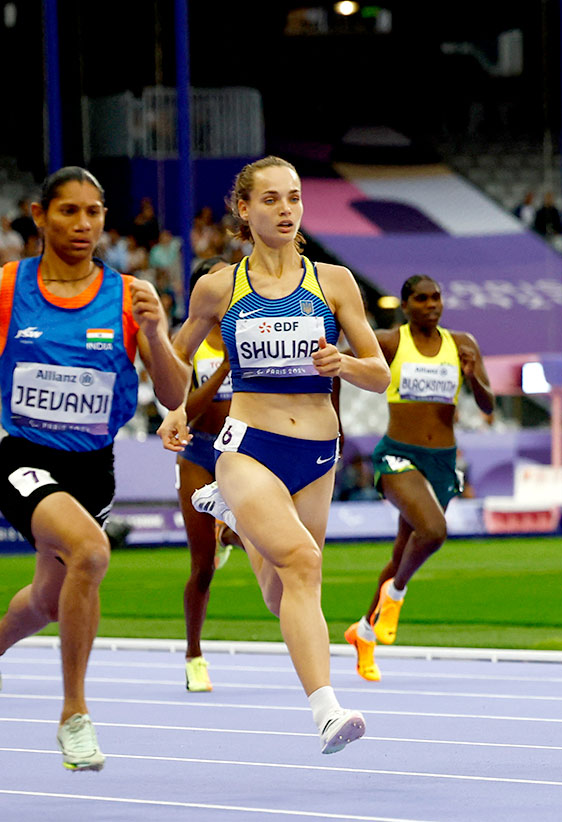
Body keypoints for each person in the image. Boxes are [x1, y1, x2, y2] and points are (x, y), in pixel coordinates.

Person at [0, 166, 189, 771]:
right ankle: (74, 715)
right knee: (92, 554)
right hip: (24, 460)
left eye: (94, 212)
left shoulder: (130, 297)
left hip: (94, 468)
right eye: (68, 211)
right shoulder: (3, 285)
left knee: (50, 599)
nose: (83, 224)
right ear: (41, 216)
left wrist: (155, 332)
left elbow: (176, 394)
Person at [157, 156, 390, 754]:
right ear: (244, 208)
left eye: (294, 198)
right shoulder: (218, 286)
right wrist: (175, 410)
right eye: (271, 200)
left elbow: (380, 373)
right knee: (304, 564)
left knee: (280, 591)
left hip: (316, 452)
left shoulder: (334, 282)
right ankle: (327, 711)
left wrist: (345, 364)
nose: (286, 210)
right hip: (247, 445)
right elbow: (174, 362)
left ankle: (231, 515)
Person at [343, 274, 494, 682]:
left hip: (441, 462)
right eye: (422, 299)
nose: (431, 305)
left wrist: (472, 373)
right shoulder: (392, 342)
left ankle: (365, 634)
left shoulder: (462, 343)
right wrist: (334, 423)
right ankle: (394, 597)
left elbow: (487, 403)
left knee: (400, 554)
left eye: (437, 298)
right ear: (405, 306)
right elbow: (340, 361)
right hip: (397, 454)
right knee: (433, 530)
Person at [175, 256, 245, 693]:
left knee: (261, 538)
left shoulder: (250, 329)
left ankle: (227, 533)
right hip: (199, 452)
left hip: (244, 452)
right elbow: (184, 410)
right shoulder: (189, 343)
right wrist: (223, 366)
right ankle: (194, 655)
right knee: (202, 568)